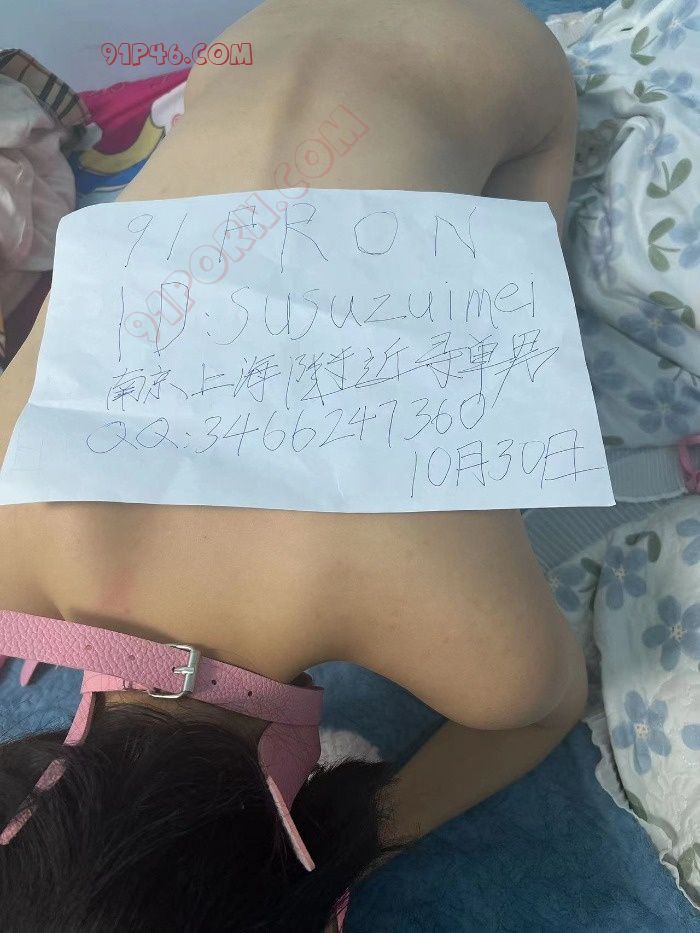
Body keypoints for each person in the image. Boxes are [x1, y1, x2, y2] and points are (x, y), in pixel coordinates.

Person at [0, 0, 587, 929]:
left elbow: (545, 710)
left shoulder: (475, 646)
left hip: (493, 45)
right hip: (244, 47)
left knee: (519, 283)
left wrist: (365, 837)